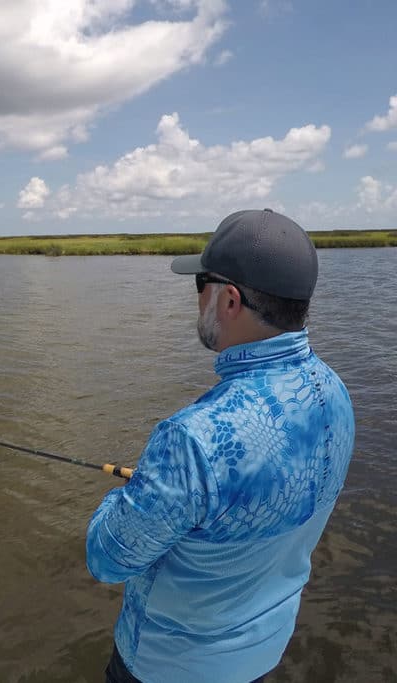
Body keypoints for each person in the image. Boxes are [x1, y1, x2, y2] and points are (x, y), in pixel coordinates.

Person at [86, 209, 355, 683]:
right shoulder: (335, 392)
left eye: (200, 286)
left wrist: (138, 494)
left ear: (229, 300)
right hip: (263, 652)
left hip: (166, 668)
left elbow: (107, 558)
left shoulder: (191, 441)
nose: (197, 300)